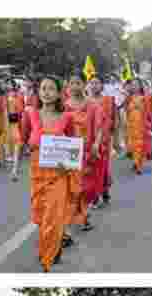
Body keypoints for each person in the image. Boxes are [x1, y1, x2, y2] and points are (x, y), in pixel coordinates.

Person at [18, 75, 78, 272]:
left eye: (51, 88)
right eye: (43, 88)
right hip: (37, 175)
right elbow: (23, 140)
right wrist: (15, 166)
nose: (46, 92)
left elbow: (74, 145)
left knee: (53, 215)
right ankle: (54, 244)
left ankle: (48, 255)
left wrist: (68, 164)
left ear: (60, 93)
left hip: (58, 175)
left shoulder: (67, 118)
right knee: (42, 217)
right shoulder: (30, 115)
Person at [64, 74, 102, 234]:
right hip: (69, 150)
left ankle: (82, 213)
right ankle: (81, 216)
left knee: (86, 186)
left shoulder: (93, 105)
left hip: (87, 152)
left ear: (84, 85)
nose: (74, 87)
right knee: (73, 185)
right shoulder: (64, 106)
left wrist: (96, 145)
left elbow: (99, 127)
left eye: (78, 83)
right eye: (72, 83)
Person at [86, 75, 117, 208]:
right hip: (89, 140)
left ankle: (99, 194)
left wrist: (116, 142)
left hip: (104, 140)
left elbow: (115, 122)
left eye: (97, 83)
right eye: (91, 83)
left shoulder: (109, 101)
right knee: (92, 170)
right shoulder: (85, 101)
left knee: (101, 169)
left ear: (102, 85)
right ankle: (99, 193)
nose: (94, 86)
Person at [121, 78, 152, 175]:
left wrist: (150, 124)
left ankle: (138, 165)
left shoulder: (145, 98)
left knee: (139, 144)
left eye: (136, 84)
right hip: (131, 125)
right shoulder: (128, 98)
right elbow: (125, 110)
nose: (134, 86)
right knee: (132, 145)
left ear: (140, 86)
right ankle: (135, 161)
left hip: (141, 125)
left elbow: (149, 112)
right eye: (133, 84)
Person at [4, 81, 26, 181]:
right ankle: (15, 166)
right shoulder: (6, 96)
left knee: (18, 144)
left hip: (17, 123)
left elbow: (21, 109)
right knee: (13, 144)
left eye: (9, 84)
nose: (7, 85)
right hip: (9, 123)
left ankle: (15, 169)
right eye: (6, 83)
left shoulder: (19, 96)